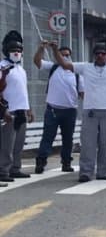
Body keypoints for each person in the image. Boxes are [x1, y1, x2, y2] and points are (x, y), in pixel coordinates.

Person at [51, 40, 106, 182]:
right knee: (88, 143)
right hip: (91, 110)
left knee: (105, 143)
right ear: (94, 56)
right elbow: (64, 64)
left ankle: (103, 172)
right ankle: (86, 172)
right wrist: (55, 50)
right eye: (97, 54)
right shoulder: (85, 67)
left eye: (103, 53)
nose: (100, 56)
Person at [33, 42, 83, 174]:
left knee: (68, 138)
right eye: (63, 55)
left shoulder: (76, 73)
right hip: (53, 110)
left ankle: (66, 162)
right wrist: (41, 48)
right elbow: (37, 61)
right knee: (48, 137)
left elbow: (82, 93)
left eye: (68, 55)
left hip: (70, 111)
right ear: (58, 56)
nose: (66, 57)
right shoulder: (53, 67)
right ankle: (41, 162)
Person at [0, 32, 34, 182]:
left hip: (21, 110)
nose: (17, 52)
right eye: (13, 50)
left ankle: (15, 168)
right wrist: (4, 110)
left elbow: (23, 91)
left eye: (19, 50)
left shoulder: (22, 70)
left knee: (18, 143)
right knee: (6, 144)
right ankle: (3, 171)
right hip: (9, 111)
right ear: (6, 51)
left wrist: (29, 109)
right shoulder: (2, 67)